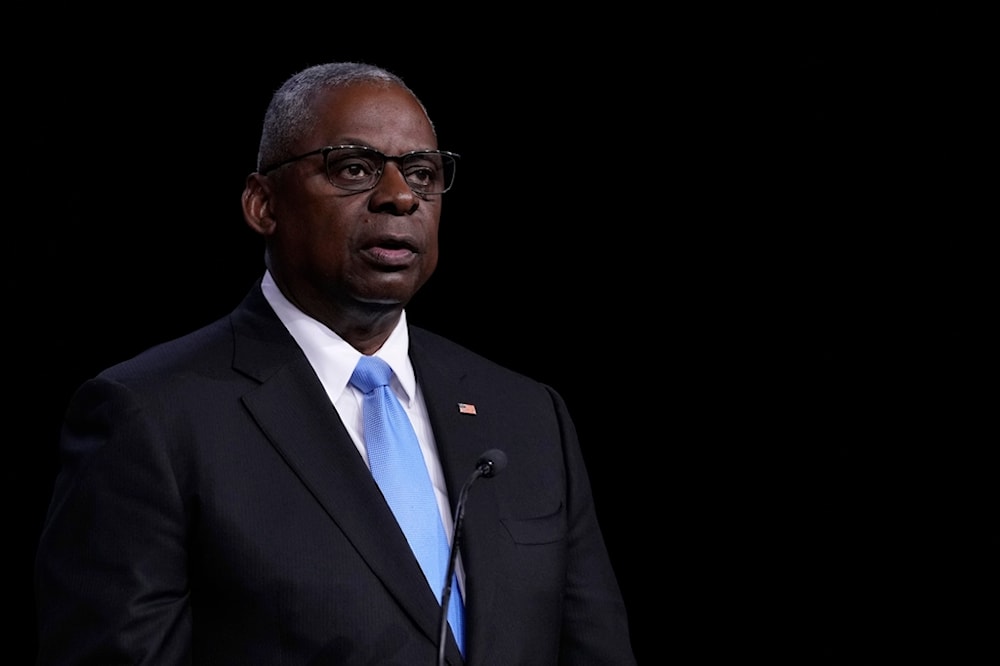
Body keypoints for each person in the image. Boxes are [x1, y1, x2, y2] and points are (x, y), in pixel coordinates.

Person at [34, 61, 636, 665]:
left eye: (422, 173)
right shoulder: (151, 418)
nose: (400, 197)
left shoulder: (529, 416)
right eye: (354, 168)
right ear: (263, 204)